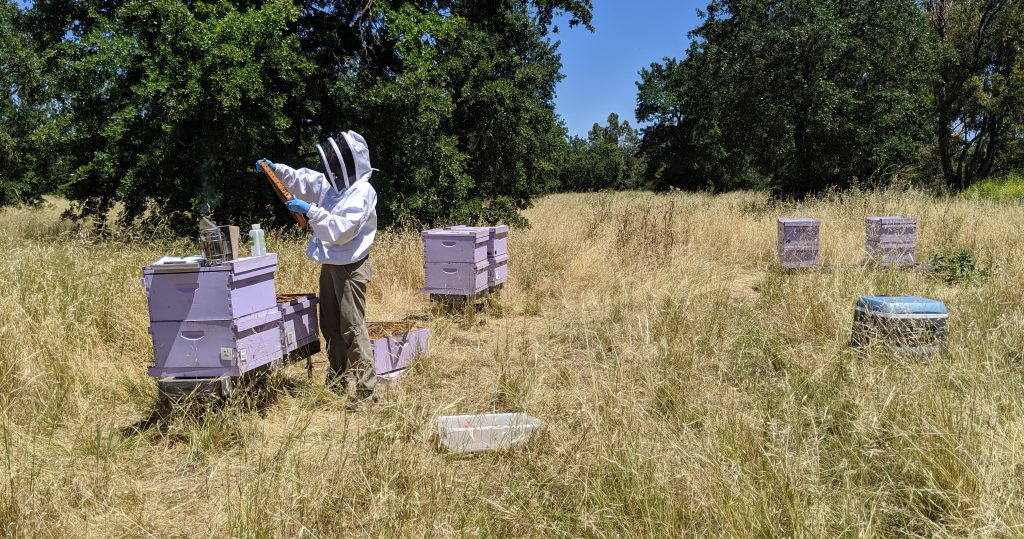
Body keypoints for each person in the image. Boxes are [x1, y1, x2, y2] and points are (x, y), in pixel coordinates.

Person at [256, 130, 377, 398]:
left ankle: (366, 389)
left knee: (352, 326)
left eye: (337, 162)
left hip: (351, 267)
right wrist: (278, 171)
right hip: (331, 264)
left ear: (351, 162)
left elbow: (342, 229)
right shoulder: (336, 187)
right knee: (330, 325)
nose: (332, 167)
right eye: (331, 162)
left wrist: (310, 211)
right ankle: (337, 381)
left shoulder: (362, 192)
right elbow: (308, 181)